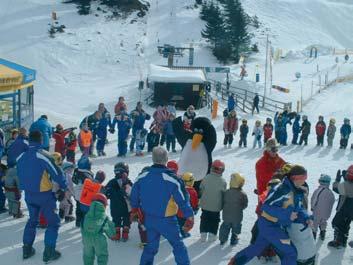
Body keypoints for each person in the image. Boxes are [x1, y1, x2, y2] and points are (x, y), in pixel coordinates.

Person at [228, 165, 311, 265]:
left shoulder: (296, 191)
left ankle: (235, 262)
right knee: (290, 253)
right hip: (270, 226)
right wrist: (287, 214)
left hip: (273, 226)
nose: (305, 181)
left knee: (257, 248)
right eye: (303, 178)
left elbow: (299, 209)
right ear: (295, 178)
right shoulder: (281, 190)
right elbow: (266, 206)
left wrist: (306, 218)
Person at [130, 147, 194, 265]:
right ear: (166, 159)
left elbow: (133, 195)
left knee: (150, 247)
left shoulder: (142, 177)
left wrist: (134, 210)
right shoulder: (172, 179)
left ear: (153, 159)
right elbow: (183, 200)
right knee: (178, 245)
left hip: (149, 218)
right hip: (167, 220)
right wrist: (189, 215)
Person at [17, 130, 67, 262]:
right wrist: (63, 187)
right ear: (41, 140)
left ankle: (27, 249)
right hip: (44, 195)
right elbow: (57, 172)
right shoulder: (43, 155)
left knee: (32, 220)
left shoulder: (22, 156)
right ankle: (49, 252)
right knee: (53, 222)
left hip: (28, 194)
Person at [81, 193, 116, 265]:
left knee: (88, 256)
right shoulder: (103, 217)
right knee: (102, 256)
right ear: (104, 204)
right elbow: (110, 232)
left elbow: (82, 227)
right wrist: (112, 233)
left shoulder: (86, 215)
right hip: (98, 240)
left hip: (86, 238)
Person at [199, 160, 227, 242]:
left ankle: (203, 234)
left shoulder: (206, 178)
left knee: (204, 218)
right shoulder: (223, 181)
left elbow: (201, 190)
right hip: (216, 206)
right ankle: (212, 234)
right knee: (215, 220)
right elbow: (223, 194)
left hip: (205, 205)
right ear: (222, 170)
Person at [105, 162, 133, 242]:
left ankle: (117, 234)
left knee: (116, 219)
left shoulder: (112, 182)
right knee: (126, 219)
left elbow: (106, 193)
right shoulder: (128, 182)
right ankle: (125, 233)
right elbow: (133, 192)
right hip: (125, 206)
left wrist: (110, 193)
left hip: (115, 206)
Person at [327, 166, 353, 248]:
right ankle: (344, 240)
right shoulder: (347, 184)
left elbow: (336, 188)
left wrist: (337, 180)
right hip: (351, 210)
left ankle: (338, 242)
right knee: (346, 224)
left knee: (337, 223)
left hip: (344, 208)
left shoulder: (344, 185)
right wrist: (347, 179)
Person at [219, 173, 248, 246]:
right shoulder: (242, 194)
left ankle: (222, 240)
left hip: (226, 215)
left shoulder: (226, 192)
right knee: (236, 227)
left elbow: (222, 201)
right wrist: (240, 208)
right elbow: (245, 204)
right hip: (237, 216)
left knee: (225, 227)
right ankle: (234, 239)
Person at [311, 174, 335, 240]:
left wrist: (312, 207)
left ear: (320, 181)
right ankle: (323, 232)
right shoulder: (330, 192)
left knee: (315, 223)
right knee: (323, 222)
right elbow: (332, 202)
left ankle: (313, 235)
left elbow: (314, 199)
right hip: (326, 213)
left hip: (317, 211)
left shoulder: (318, 191)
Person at [72, 156, 94, 227]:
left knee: (78, 207)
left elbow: (74, 180)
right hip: (84, 194)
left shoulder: (77, 171)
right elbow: (90, 184)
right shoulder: (86, 175)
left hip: (77, 193)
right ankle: (84, 222)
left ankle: (78, 221)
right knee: (85, 209)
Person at [178, 172, 199, 238]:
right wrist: (195, 209)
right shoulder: (193, 192)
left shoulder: (179, 189)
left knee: (179, 221)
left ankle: (179, 230)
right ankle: (184, 233)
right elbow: (195, 202)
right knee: (189, 223)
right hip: (188, 213)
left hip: (178, 211)